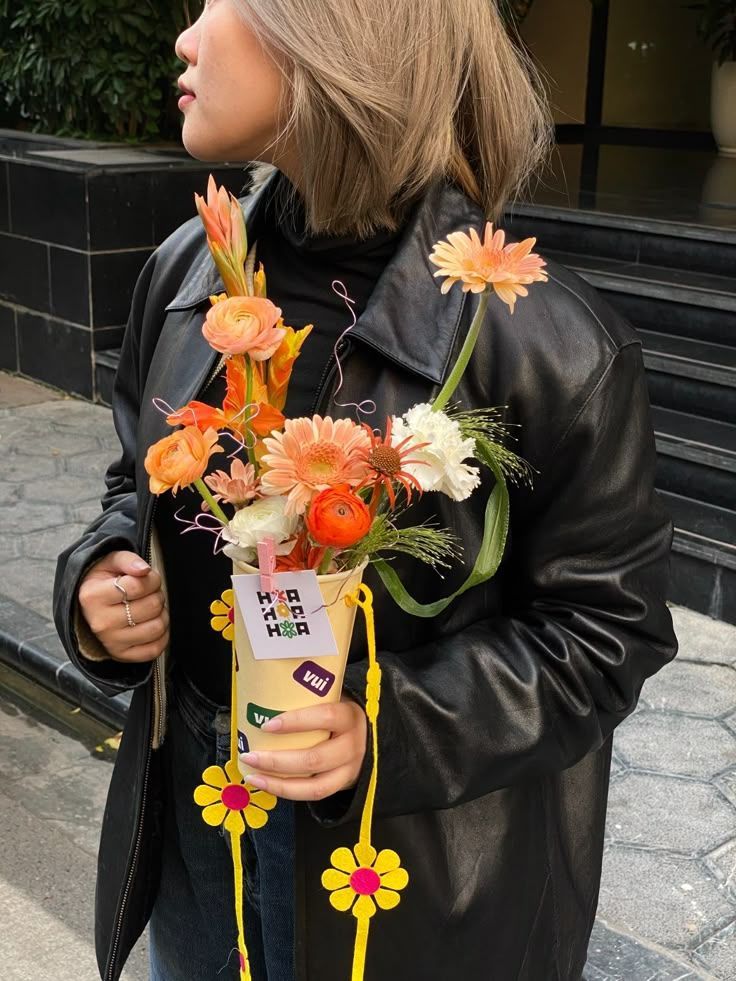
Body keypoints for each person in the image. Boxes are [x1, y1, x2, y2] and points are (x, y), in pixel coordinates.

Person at [53, 1, 678, 979]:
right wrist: (102, 579)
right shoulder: (186, 273)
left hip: (406, 869)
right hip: (198, 809)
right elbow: (135, 484)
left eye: (221, 3)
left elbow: (607, 632)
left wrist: (383, 731)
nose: (186, 38)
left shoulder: (546, 343)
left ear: (335, 36)